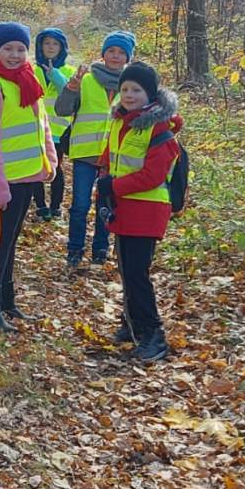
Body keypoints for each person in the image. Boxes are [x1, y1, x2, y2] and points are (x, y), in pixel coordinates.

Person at [0, 22, 57, 331]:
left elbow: (41, 124)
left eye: (21, 49)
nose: (15, 55)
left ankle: (7, 301)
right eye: (8, 49)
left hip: (28, 175)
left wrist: (49, 160)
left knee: (12, 240)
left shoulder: (28, 79)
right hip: (5, 183)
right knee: (0, 241)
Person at [96, 61, 182, 363]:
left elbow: (153, 176)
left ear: (151, 94)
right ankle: (130, 323)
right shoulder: (121, 120)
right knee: (126, 269)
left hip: (147, 210)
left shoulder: (160, 129)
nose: (129, 95)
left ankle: (152, 334)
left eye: (136, 90)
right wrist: (103, 176)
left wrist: (112, 186)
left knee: (136, 273)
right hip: (123, 208)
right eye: (124, 89)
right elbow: (109, 154)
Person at [54, 31, 135, 269]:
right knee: (80, 204)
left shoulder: (131, 85)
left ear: (128, 57)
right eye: (111, 51)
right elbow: (62, 109)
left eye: (121, 53)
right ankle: (75, 249)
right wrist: (71, 87)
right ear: (103, 53)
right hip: (85, 153)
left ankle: (101, 249)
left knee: (106, 206)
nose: (116, 56)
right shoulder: (86, 79)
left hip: (115, 159)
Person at [32, 27, 73, 220]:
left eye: (55, 44)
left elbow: (71, 94)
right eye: (47, 43)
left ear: (61, 47)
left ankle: (56, 207)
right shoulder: (31, 70)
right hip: (34, 129)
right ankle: (41, 206)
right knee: (36, 167)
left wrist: (55, 76)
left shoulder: (69, 71)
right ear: (40, 46)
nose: (50, 47)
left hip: (58, 130)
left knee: (55, 168)